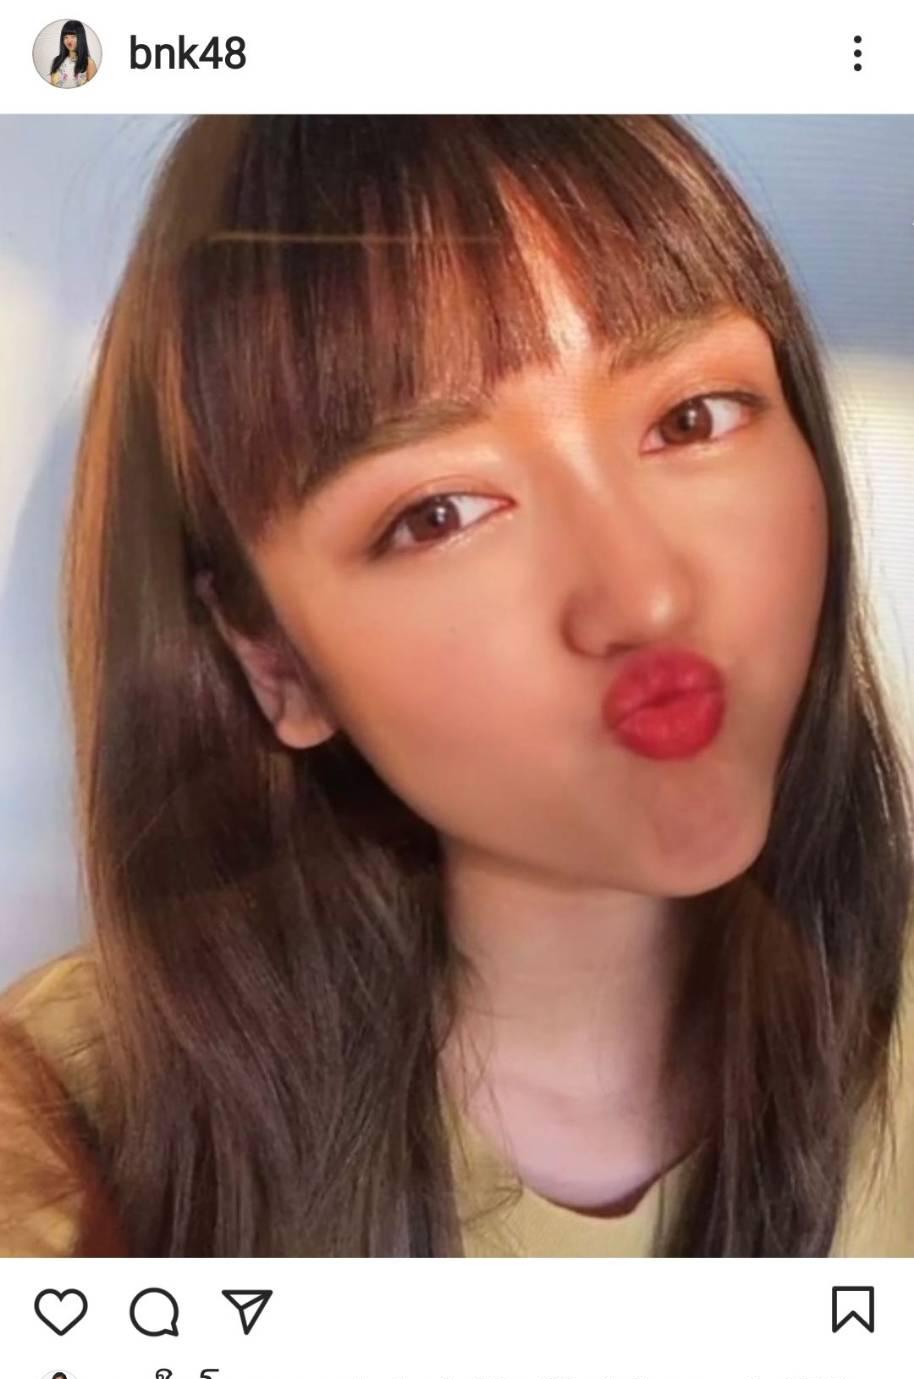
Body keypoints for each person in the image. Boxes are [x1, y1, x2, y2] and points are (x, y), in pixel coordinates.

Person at [0, 115, 912, 1259]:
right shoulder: (63, 1126)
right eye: (438, 514)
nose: (643, 597)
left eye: (690, 419)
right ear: (270, 658)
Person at [48, 21, 97, 88]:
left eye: (73, 36)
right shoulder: (57, 60)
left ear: (81, 38)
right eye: (65, 37)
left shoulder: (89, 63)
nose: (69, 41)